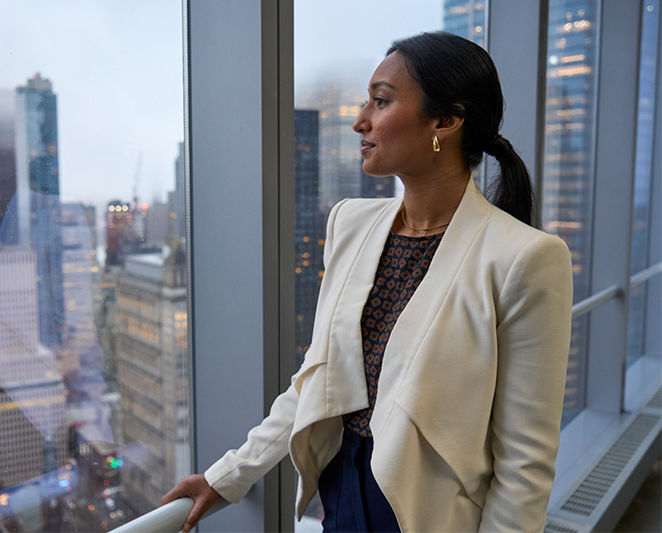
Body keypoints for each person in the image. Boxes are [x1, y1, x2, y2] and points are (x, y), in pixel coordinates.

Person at [162, 31, 573, 532]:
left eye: (380, 101)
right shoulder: (350, 223)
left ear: (446, 121)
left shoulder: (526, 258)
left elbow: (524, 464)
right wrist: (228, 475)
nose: (360, 121)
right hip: (341, 487)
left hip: (432, 515)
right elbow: (317, 378)